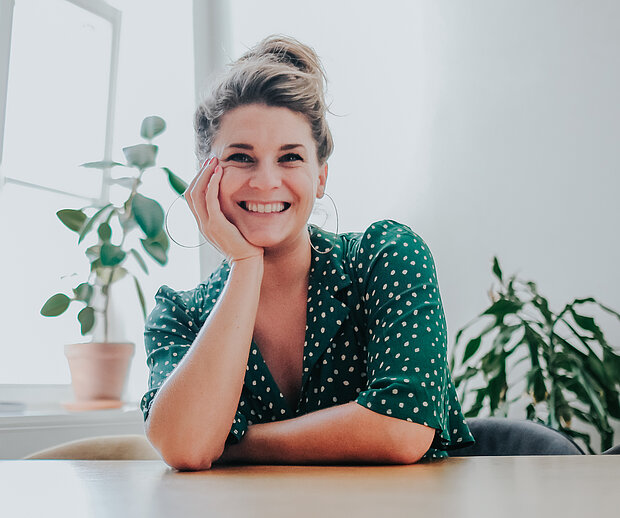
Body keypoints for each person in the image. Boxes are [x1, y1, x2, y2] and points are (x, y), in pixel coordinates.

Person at [141, 35, 474, 471]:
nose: (264, 181)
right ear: (206, 177)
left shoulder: (386, 257)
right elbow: (185, 446)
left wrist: (232, 444)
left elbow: (401, 428)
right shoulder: (178, 315)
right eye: (241, 157)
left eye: (290, 157)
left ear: (320, 177)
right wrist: (245, 266)